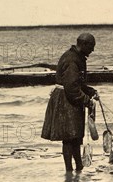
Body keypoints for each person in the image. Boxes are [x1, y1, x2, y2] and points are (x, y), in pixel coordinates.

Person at [41, 33, 99, 171]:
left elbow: (76, 82)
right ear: (84, 45)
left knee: (75, 136)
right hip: (65, 100)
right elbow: (72, 88)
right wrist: (86, 100)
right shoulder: (72, 60)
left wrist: (90, 91)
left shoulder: (76, 57)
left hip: (69, 97)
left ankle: (78, 167)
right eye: (91, 47)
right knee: (68, 137)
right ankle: (69, 171)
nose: (93, 50)